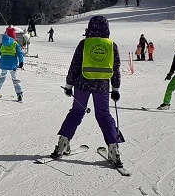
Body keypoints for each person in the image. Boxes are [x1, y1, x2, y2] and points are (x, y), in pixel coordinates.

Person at [51, 15, 124, 168]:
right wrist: (116, 88)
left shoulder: (84, 44)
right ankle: (114, 149)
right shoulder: (112, 45)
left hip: (82, 84)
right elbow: (115, 69)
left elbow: (75, 65)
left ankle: (62, 144)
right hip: (102, 86)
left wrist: (69, 84)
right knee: (104, 115)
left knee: (76, 112)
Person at [0, 27, 25, 101]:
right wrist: (21, 62)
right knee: (15, 78)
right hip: (13, 64)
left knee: (2, 77)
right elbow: (20, 54)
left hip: (3, 63)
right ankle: (19, 94)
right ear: (13, 36)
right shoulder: (15, 44)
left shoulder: (2, 43)